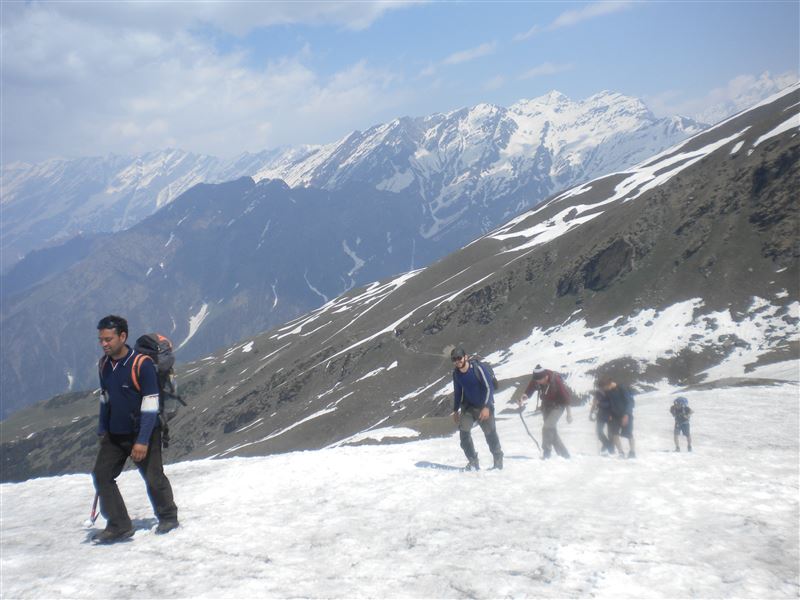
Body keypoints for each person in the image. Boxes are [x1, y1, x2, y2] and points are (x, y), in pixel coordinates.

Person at [91, 315, 179, 544]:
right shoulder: (104, 365)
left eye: (108, 339)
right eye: (101, 339)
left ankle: (168, 517)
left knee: (153, 477)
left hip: (143, 432)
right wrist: (103, 429)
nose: (104, 344)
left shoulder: (142, 364)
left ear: (123, 336)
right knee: (101, 475)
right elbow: (105, 398)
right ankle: (119, 525)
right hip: (115, 433)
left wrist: (142, 441)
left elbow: (150, 404)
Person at [451, 347, 503, 470]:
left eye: (459, 358)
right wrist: (455, 410)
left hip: (484, 407)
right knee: (464, 435)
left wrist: (486, 407)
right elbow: (458, 391)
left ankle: (498, 458)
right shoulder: (456, 374)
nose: (457, 361)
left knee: (490, 434)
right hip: (468, 407)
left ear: (466, 357)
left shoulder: (478, 369)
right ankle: (473, 461)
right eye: (454, 359)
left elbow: (489, 388)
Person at [518, 365, 572, 459]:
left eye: (539, 380)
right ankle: (565, 455)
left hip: (558, 406)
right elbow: (530, 389)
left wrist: (569, 414)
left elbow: (566, 398)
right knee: (551, 431)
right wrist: (524, 396)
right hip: (546, 406)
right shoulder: (537, 379)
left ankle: (547, 452)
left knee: (547, 427)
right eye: (536, 381)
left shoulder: (556, 381)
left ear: (546, 376)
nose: (538, 382)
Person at [597, 375, 636, 459]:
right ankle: (621, 453)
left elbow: (629, 402)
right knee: (614, 434)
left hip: (626, 415)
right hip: (614, 415)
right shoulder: (609, 392)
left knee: (629, 434)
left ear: (608, 384)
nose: (604, 390)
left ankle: (632, 452)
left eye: (604, 387)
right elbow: (608, 404)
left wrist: (626, 414)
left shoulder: (622, 388)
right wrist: (608, 413)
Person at [589, 389, 615, 455]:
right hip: (601, 415)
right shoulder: (598, 394)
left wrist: (598, 404)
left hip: (609, 415)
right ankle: (609, 447)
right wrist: (591, 413)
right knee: (600, 432)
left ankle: (608, 448)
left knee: (609, 433)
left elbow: (610, 404)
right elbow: (594, 404)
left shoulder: (609, 394)